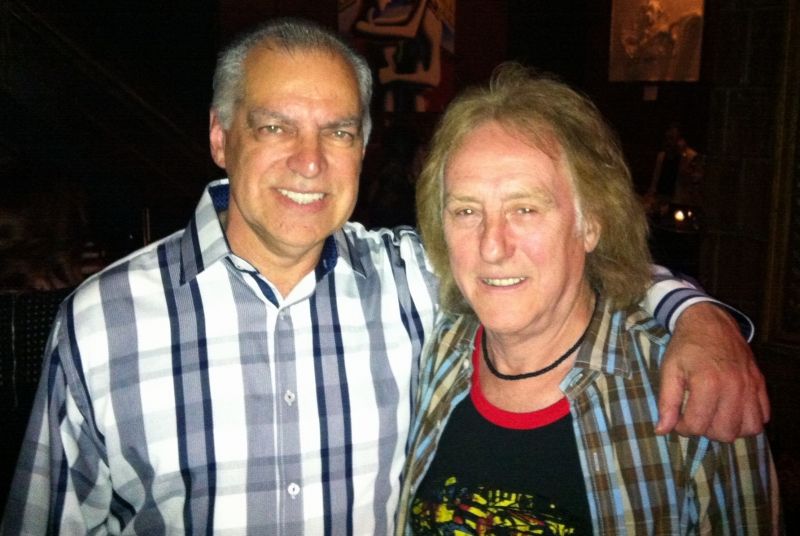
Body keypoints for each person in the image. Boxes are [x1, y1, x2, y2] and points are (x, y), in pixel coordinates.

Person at [2, 18, 767, 535]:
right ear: (221, 137)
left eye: (337, 132)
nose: (309, 162)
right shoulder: (104, 321)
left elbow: (556, 262)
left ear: (363, 149)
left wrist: (694, 315)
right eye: (275, 126)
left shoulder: (407, 281)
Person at [398, 64, 779, 534]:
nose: (492, 247)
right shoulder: (428, 351)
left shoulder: (695, 389)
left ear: (591, 223)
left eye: (525, 209)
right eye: (466, 211)